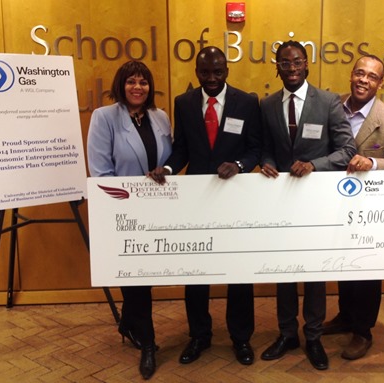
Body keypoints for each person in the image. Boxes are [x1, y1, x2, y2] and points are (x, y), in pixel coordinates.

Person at [150, 46, 261, 366]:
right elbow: (181, 148)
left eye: (218, 72)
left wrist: (239, 164)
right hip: (197, 202)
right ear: (196, 72)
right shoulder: (184, 103)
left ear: (227, 71)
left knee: (239, 272)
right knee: (196, 273)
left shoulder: (246, 102)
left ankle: (241, 338)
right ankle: (199, 335)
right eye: (204, 72)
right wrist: (168, 169)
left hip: (235, 200)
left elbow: (255, 148)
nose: (211, 78)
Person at [259, 40, 356, 370]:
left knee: (315, 273)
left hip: (317, 204)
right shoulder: (268, 104)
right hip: (281, 202)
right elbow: (264, 147)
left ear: (307, 64)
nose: (291, 68)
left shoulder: (328, 102)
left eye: (297, 62)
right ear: (277, 67)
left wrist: (316, 165)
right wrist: (267, 161)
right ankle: (287, 334)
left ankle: (313, 336)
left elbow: (347, 149)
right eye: (284, 63)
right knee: (284, 272)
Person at [322, 55, 384, 360]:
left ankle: (363, 331)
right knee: (343, 263)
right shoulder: (331, 106)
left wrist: (373, 162)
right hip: (333, 203)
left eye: (372, 77)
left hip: (370, 208)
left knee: (367, 269)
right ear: (351, 75)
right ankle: (345, 316)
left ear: (380, 84)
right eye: (360, 73)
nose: (364, 80)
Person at [87, 60, 172, 380]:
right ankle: (148, 344)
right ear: (121, 85)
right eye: (132, 82)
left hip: (157, 211)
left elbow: (168, 161)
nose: (138, 87)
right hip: (121, 212)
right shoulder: (104, 118)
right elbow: (100, 172)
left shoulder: (160, 117)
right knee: (137, 282)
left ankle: (126, 323)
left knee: (144, 277)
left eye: (144, 82)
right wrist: (126, 206)